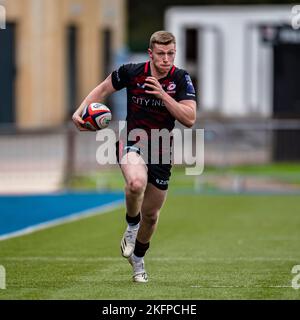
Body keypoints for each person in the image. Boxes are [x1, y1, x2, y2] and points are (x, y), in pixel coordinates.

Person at [72, 31, 197, 283]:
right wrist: (79, 111)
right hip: (133, 141)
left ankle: (138, 259)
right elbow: (104, 88)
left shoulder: (181, 78)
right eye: (160, 54)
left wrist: (162, 94)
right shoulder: (132, 72)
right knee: (135, 183)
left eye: (170, 53)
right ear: (151, 53)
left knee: (151, 216)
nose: (166, 59)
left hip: (162, 148)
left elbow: (189, 118)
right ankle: (131, 225)